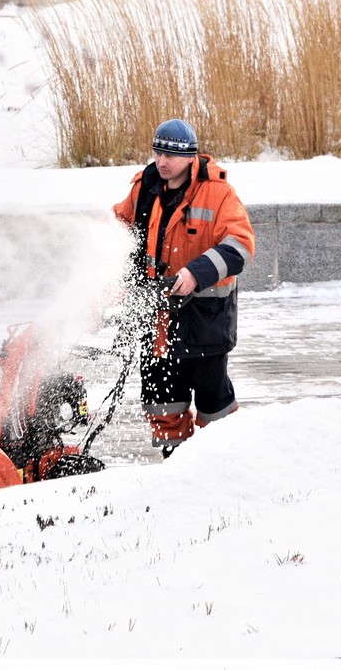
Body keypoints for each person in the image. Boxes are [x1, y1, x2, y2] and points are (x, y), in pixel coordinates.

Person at [112, 118, 256, 458]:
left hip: (203, 323)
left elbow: (241, 245)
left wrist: (195, 273)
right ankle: (174, 470)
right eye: (158, 152)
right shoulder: (145, 186)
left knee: (215, 407)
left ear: (190, 157)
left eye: (171, 156)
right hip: (155, 321)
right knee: (163, 404)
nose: (162, 161)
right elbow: (120, 227)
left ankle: (221, 468)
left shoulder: (218, 193)